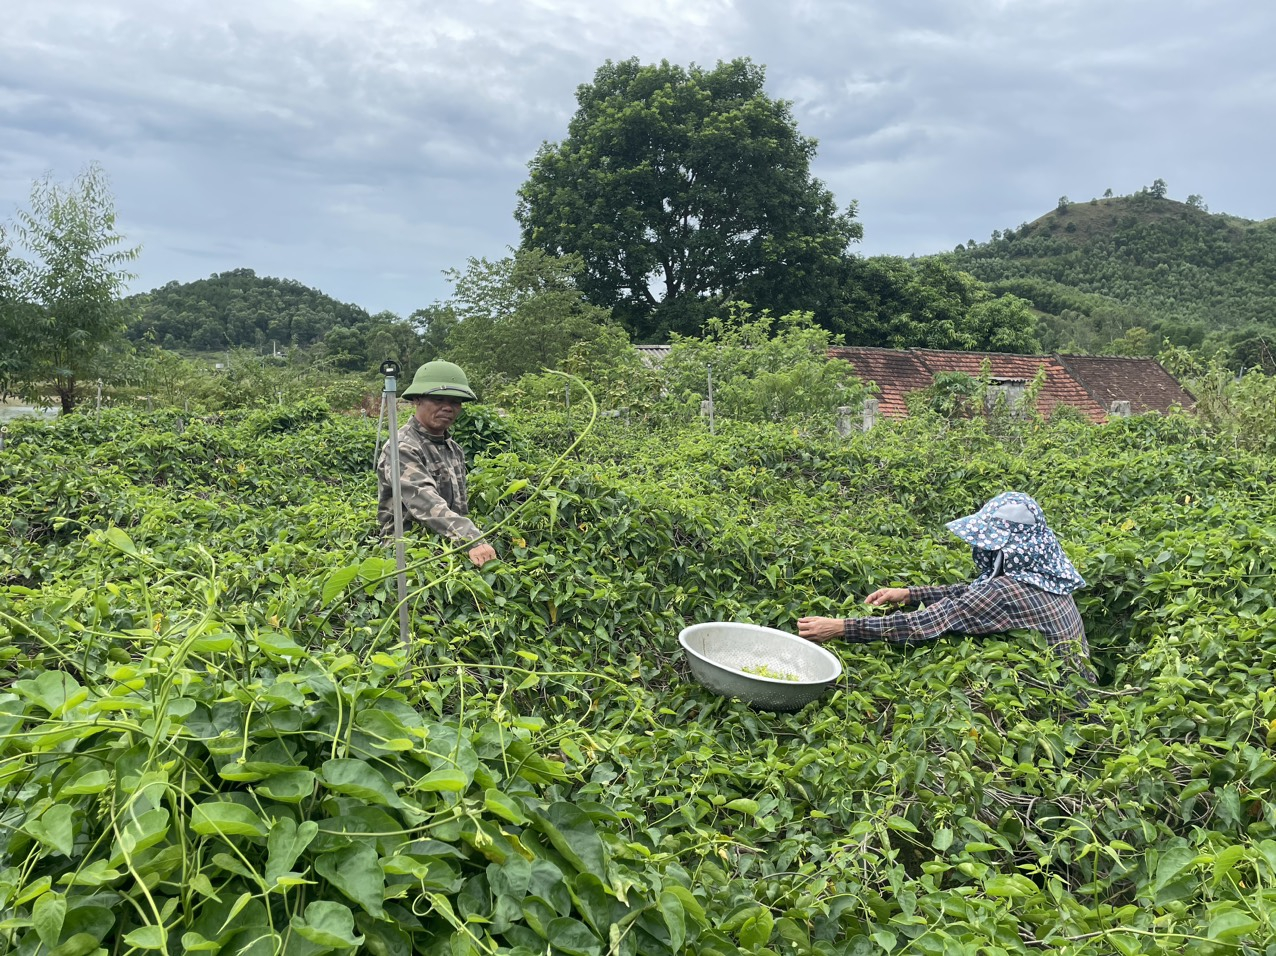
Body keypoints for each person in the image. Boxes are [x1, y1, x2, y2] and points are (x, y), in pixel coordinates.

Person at [797, 492, 1096, 683]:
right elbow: (973, 593)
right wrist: (910, 594)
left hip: (1062, 703)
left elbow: (926, 623)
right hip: (1081, 686)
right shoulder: (1045, 574)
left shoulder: (1005, 591)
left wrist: (841, 628)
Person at [377, 360, 497, 567]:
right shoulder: (402, 447)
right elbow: (425, 502)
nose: (447, 408)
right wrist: (471, 537)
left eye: (455, 402)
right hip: (410, 557)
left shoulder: (453, 448)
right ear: (417, 399)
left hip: (451, 548)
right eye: (438, 399)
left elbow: (458, 508)